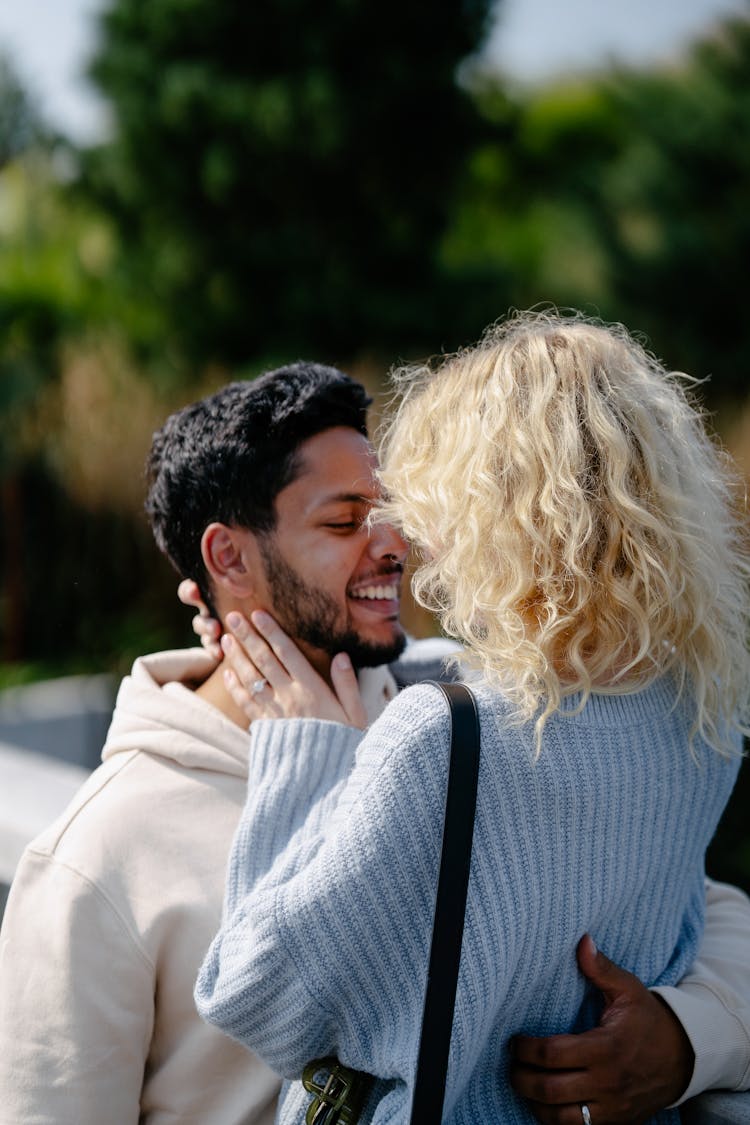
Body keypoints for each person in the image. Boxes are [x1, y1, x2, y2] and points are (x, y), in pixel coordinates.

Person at [194, 311, 749, 1125]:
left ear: (496, 511)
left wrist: (304, 746)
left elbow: (254, 994)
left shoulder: (437, 740)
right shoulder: (705, 716)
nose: (416, 540)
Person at [0, 363, 454, 1124]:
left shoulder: (454, 729)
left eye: (390, 513)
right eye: (344, 522)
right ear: (229, 559)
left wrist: (685, 1032)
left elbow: (690, 900)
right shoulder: (101, 853)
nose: (393, 546)